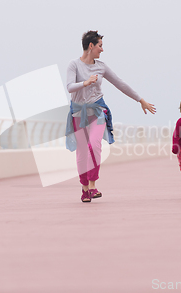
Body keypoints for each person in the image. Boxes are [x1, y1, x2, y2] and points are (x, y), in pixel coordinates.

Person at [66, 30, 156, 202]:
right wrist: (85, 82)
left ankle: (92, 186)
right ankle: (84, 189)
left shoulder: (101, 66)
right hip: (78, 112)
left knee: (95, 144)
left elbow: (120, 83)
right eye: (100, 46)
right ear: (91, 46)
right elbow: (70, 87)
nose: (102, 49)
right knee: (82, 152)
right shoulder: (74, 65)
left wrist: (140, 100)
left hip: (98, 110)